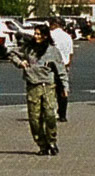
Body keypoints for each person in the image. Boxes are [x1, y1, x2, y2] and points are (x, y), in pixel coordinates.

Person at [16, 27, 62, 155]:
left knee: (50, 115)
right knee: (35, 119)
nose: (36, 37)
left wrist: (65, 87)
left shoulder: (53, 51)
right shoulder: (28, 49)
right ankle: (42, 144)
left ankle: (52, 141)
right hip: (33, 86)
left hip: (48, 85)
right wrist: (20, 62)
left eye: (39, 34)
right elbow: (12, 54)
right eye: (35, 34)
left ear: (45, 36)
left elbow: (61, 69)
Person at [45, 17, 73, 122]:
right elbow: (71, 53)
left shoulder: (51, 35)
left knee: (50, 89)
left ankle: (51, 112)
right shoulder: (67, 37)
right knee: (63, 89)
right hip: (64, 65)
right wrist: (68, 64)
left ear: (54, 25)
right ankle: (63, 114)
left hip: (52, 66)